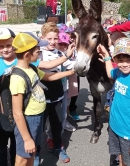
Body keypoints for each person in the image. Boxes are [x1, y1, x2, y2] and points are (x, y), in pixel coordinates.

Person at [0, 28, 76, 166]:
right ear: (28, 54)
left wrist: (72, 72)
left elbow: (49, 77)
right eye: (37, 51)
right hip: (27, 120)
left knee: (30, 154)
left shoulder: (32, 68)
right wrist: (27, 138)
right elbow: (17, 112)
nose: (40, 53)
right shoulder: (18, 77)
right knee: (22, 158)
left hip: (36, 117)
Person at [97, 37, 130, 166]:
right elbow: (110, 73)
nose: (125, 64)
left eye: (129, 59)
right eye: (120, 60)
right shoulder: (120, 72)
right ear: (115, 60)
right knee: (121, 158)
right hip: (115, 127)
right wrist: (106, 57)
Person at [38, 22, 75, 163]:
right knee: (39, 127)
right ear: (42, 38)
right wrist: (66, 57)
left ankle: (59, 147)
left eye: (55, 39)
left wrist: (83, 62)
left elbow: (70, 64)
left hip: (57, 96)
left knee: (57, 123)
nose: (53, 42)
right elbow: (48, 67)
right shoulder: (38, 54)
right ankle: (36, 152)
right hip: (41, 98)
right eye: (49, 39)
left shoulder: (60, 53)